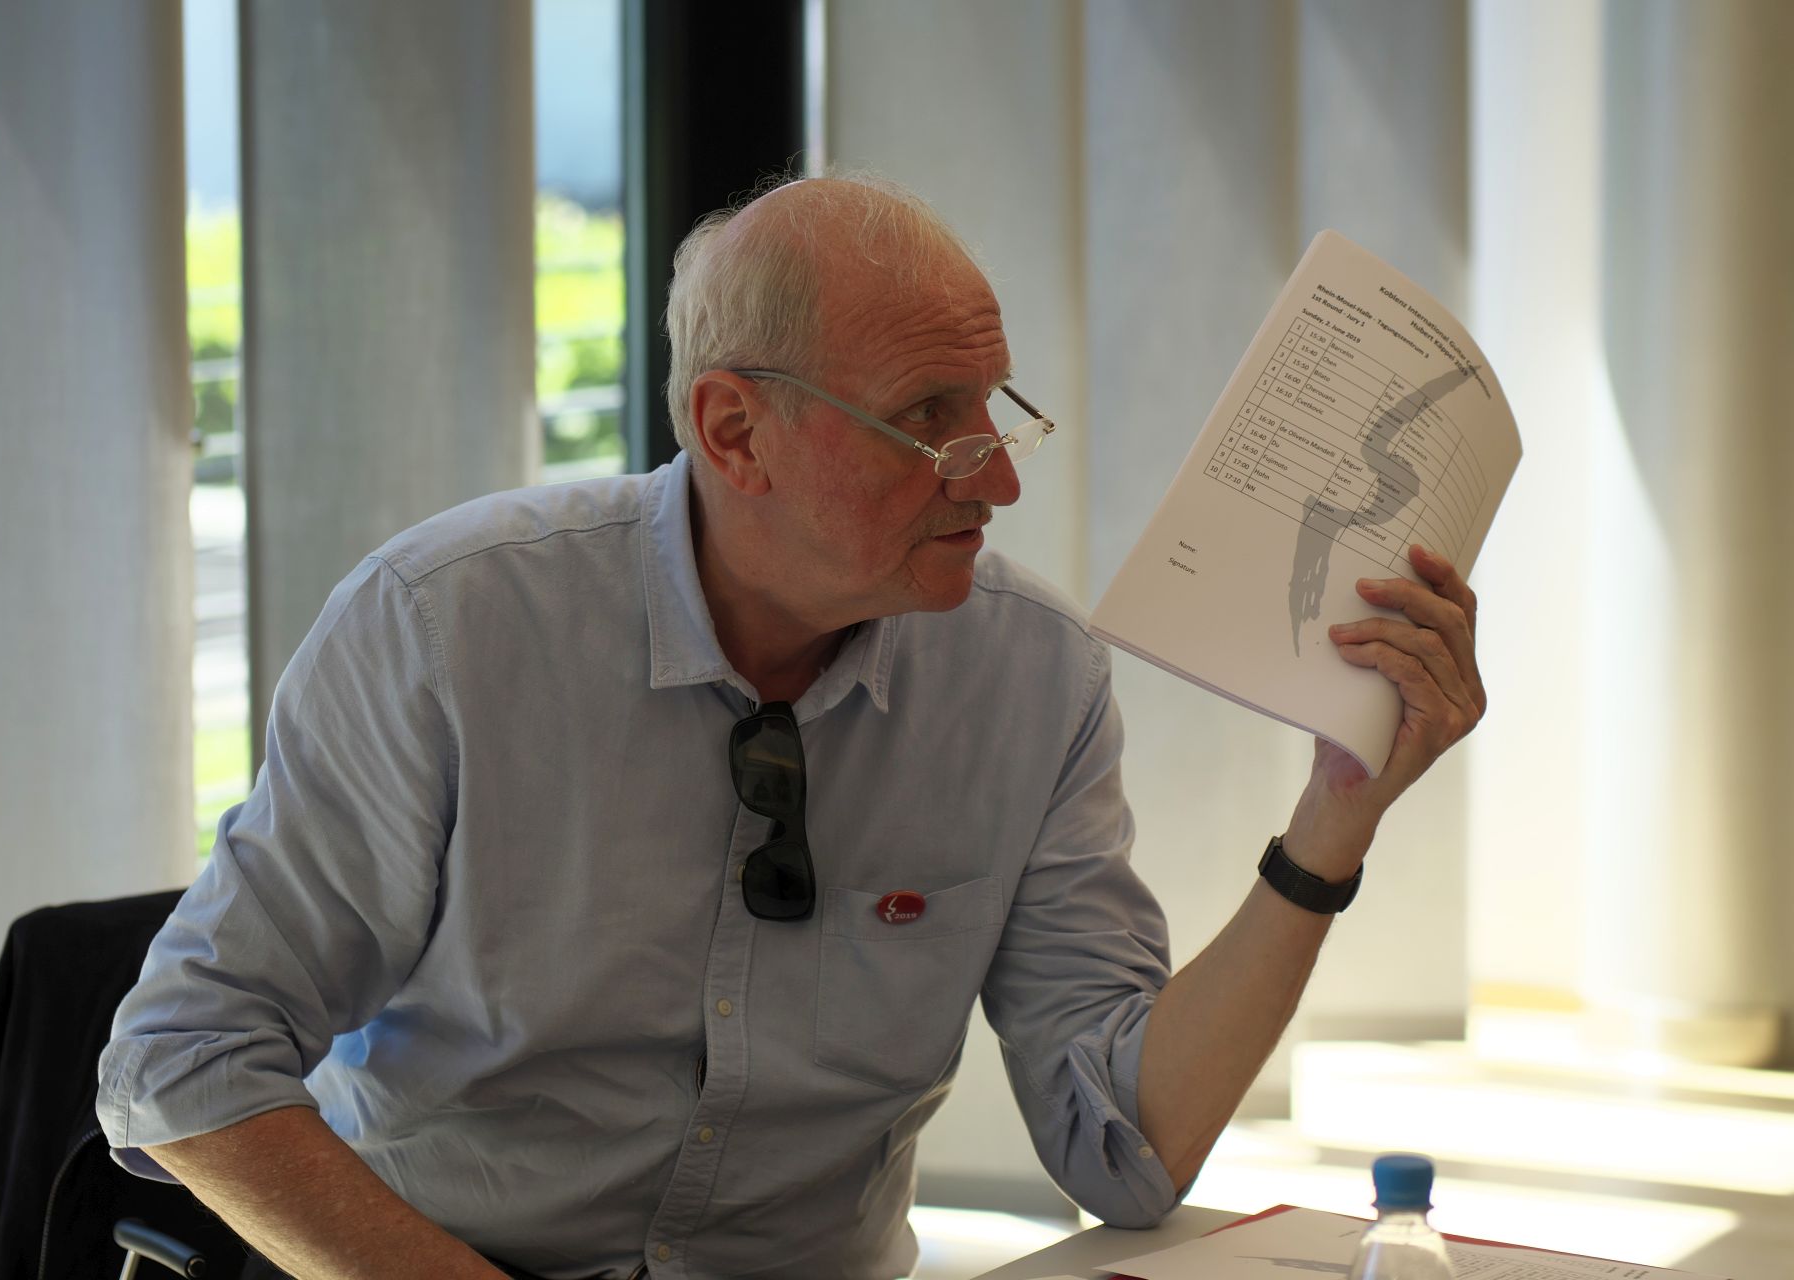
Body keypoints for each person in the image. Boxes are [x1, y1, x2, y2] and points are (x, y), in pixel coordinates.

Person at [98, 175, 1485, 1280]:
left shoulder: (1030, 676)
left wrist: (1334, 821)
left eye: (995, 407)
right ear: (734, 431)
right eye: (929, 419)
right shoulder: (448, 628)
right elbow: (182, 1058)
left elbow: (1124, 1148)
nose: (996, 478)